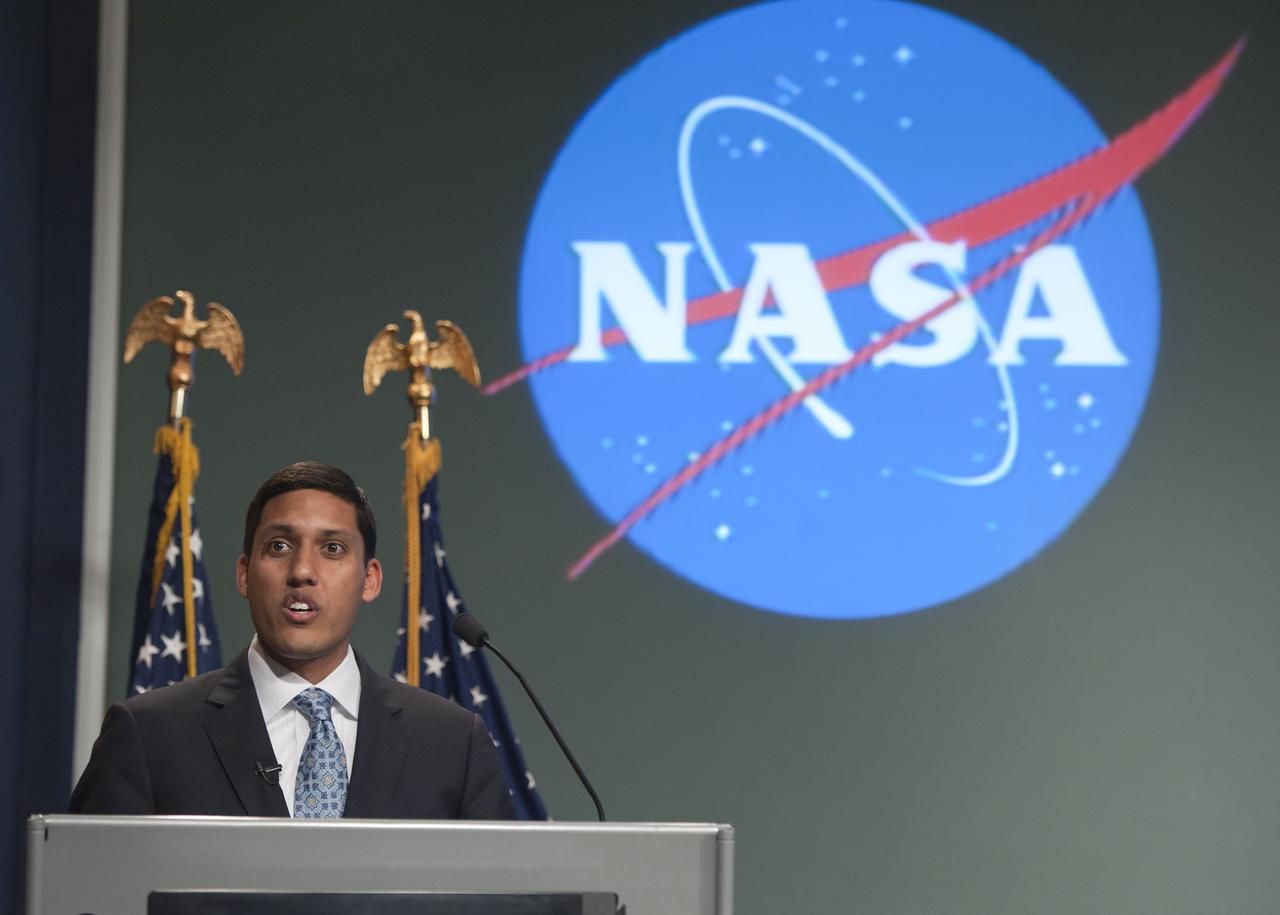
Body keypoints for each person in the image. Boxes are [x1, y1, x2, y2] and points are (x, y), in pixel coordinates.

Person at [70, 462, 515, 820]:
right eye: (279, 546)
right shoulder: (150, 736)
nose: (302, 570)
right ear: (244, 574)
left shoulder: (453, 744)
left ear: (370, 579)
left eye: (333, 548)